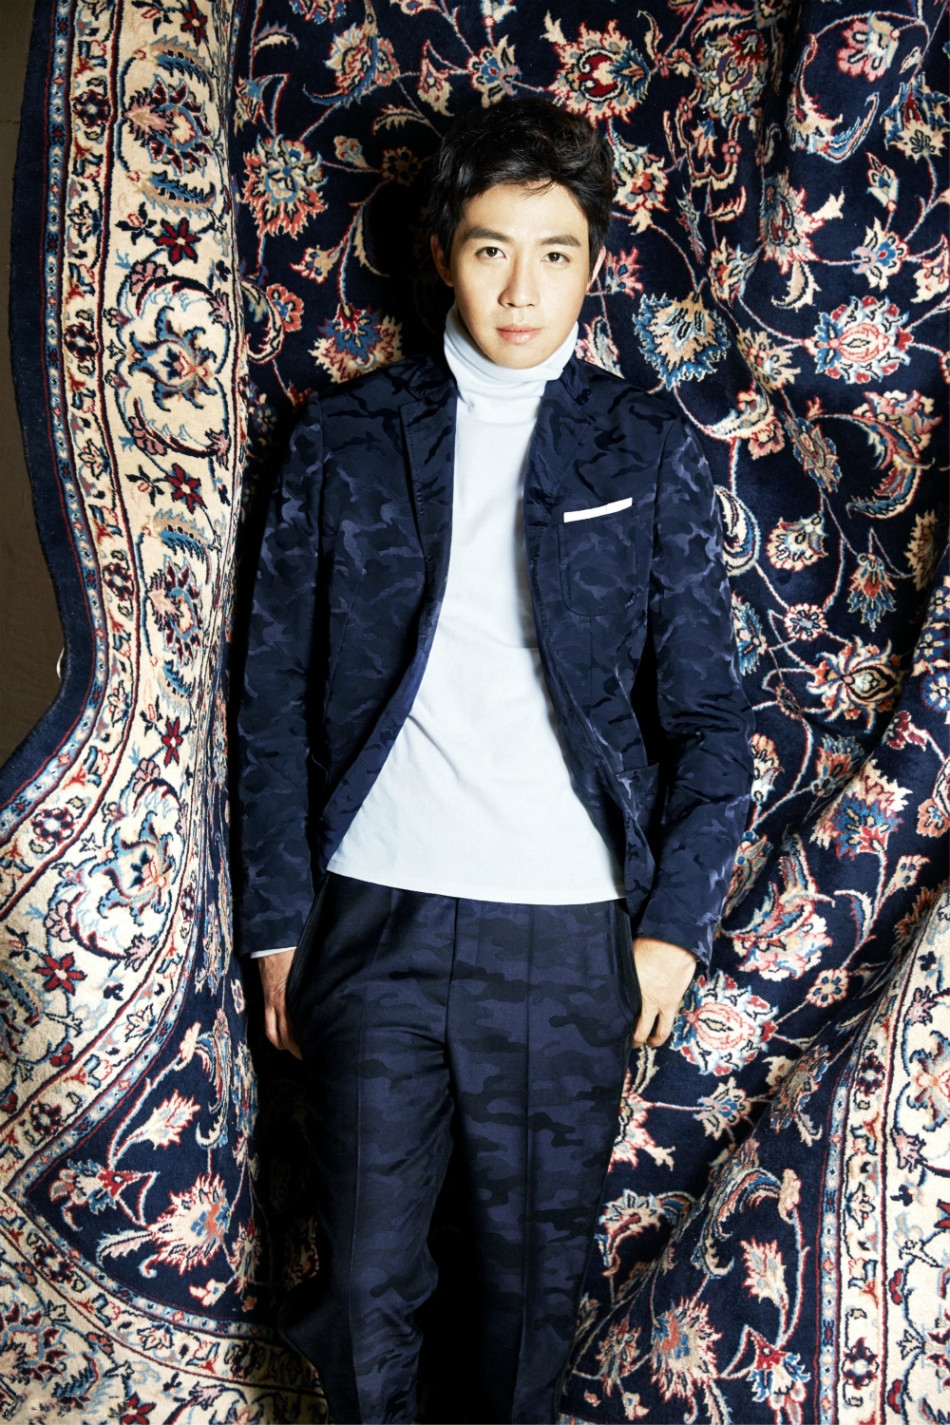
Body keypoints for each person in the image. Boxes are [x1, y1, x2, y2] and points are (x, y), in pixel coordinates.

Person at [237, 96, 753, 1425]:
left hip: (565, 935)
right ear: (441, 253)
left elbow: (711, 718)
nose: (522, 291)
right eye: (489, 250)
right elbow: (273, 698)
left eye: (554, 254)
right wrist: (280, 925)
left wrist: (673, 932)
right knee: (362, 1288)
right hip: (373, 917)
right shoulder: (344, 440)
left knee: (524, 1303)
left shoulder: (644, 448)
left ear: (594, 263)